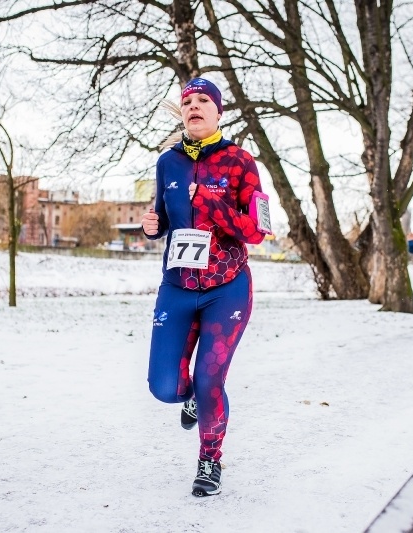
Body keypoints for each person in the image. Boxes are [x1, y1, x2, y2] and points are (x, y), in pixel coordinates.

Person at [141, 78, 267, 497]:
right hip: (177, 284)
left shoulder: (241, 161)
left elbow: (257, 232)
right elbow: (164, 217)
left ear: (218, 112)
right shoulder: (167, 162)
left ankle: (209, 461)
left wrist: (211, 203)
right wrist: (151, 228)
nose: (194, 107)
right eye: (187, 102)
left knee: (211, 381)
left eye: (203, 101)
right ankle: (193, 396)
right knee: (164, 387)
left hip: (227, 286)